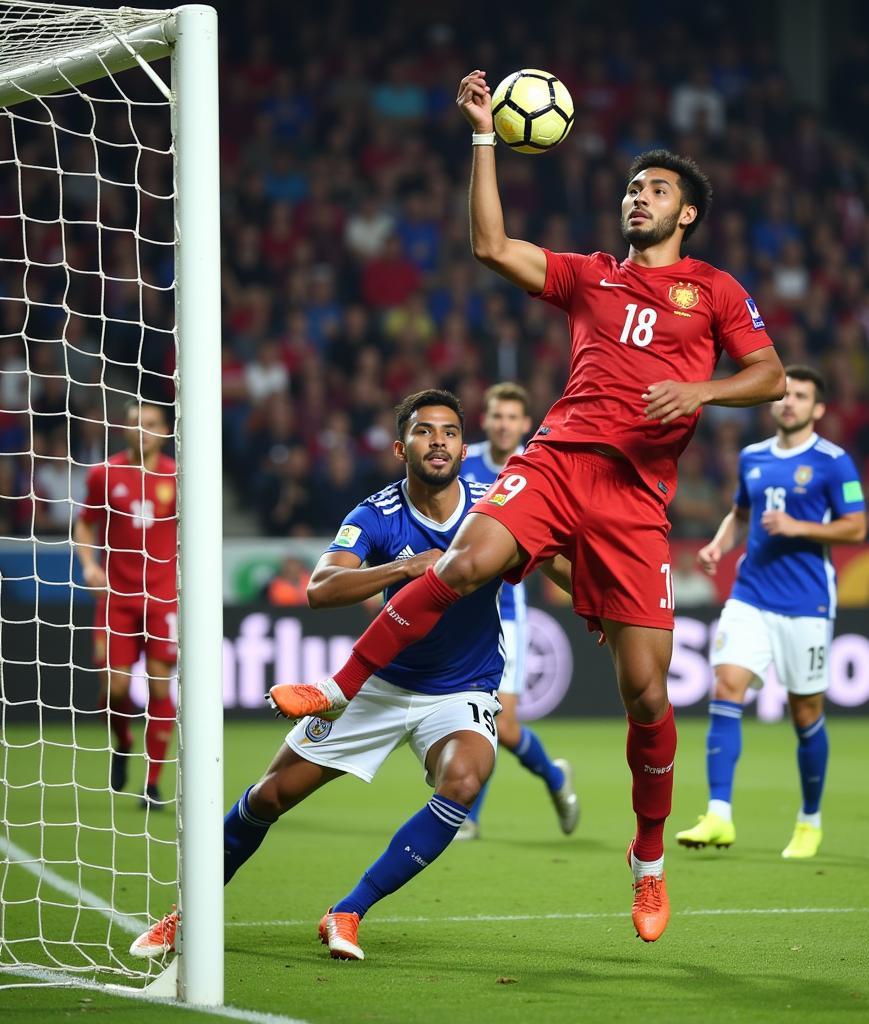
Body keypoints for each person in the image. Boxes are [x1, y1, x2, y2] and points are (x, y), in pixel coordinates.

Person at [268, 70, 786, 943]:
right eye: (631, 187)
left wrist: (698, 391)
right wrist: (482, 137)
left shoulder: (718, 291)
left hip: (634, 500)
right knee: (464, 563)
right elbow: (492, 246)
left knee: (646, 692)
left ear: (686, 212)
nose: (638, 197)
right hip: (555, 461)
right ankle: (336, 687)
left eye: (655, 189)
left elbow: (769, 376)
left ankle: (648, 861)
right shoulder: (591, 277)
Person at [129, 390, 572, 962]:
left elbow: (561, 564)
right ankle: (185, 914)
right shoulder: (377, 514)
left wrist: (603, 604)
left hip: (461, 690)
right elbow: (319, 588)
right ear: (399, 447)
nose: (437, 440)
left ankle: (348, 911)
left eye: (449, 432)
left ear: (465, 450)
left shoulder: (496, 508)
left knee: (464, 780)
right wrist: (403, 567)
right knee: (269, 796)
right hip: (378, 685)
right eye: (423, 431)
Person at [676, 366, 866, 859]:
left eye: (801, 396)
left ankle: (810, 820)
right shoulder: (752, 457)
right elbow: (740, 514)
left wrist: (798, 528)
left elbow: (856, 528)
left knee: (805, 713)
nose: (790, 403)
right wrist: (719, 544)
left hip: (807, 604)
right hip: (750, 594)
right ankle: (719, 814)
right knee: (726, 686)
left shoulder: (833, 462)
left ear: (817, 408)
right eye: (785, 395)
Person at [457, 381, 579, 840]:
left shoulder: (540, 467)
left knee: (502, 725)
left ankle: (550, 778)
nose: (505, 424)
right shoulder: (462, 463)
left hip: (506, 610)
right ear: (485, 420)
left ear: (526, 424)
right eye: (497, 416)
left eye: (513, 417)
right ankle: (467, 812)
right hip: (458, 604)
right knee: (470, 712)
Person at [73, 401, 177, 810]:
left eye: (150, 424)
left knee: (158, 685)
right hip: (115, 598)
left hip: (163, 598)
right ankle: (123, 739)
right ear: (124, 429)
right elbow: (84, 521)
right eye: (135, 424)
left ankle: (151, 784)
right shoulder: (104, 474)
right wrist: (88, 564)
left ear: (165, 430)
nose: (142, 430)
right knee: (115, 689)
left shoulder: (177, 476)